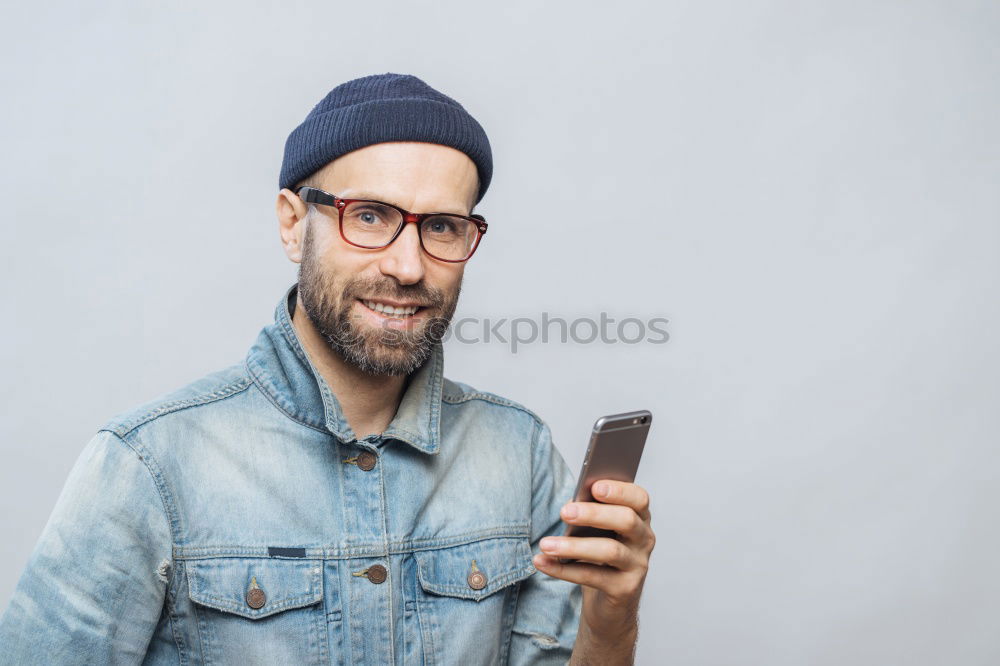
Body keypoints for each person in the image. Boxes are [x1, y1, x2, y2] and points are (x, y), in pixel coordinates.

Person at [0, 72, 655, 664]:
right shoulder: (147, 464)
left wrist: (611, 624)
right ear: (293, 225)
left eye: (444, 227)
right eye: (368, 216)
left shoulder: (523, 453)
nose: (407, 266)